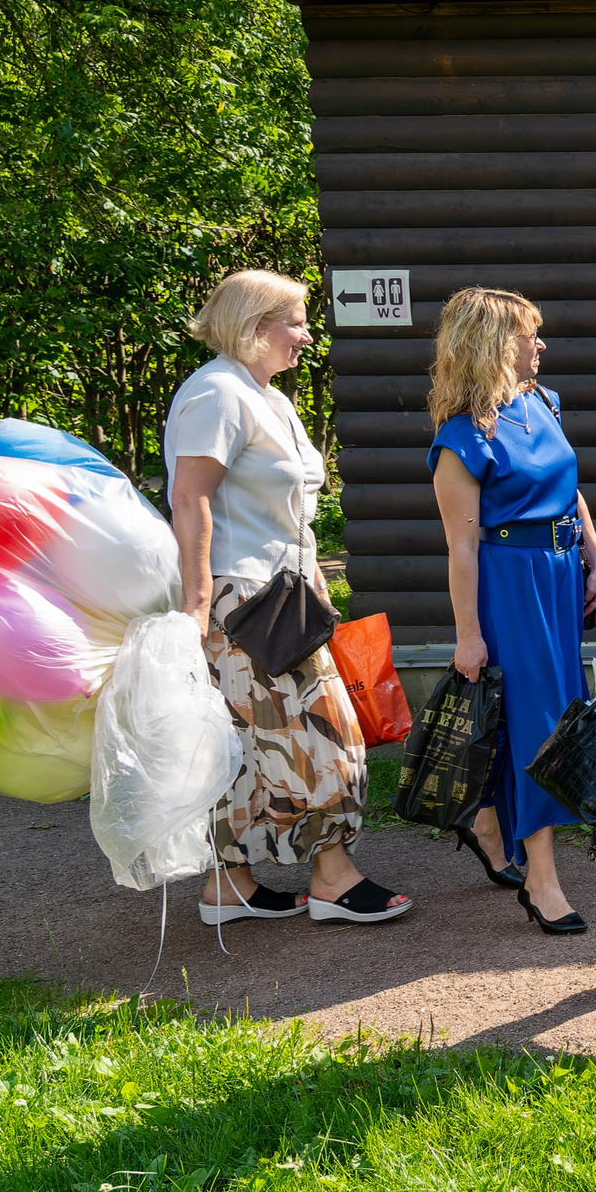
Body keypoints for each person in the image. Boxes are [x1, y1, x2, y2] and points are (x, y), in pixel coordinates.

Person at [166, 269, 408, 926]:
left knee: (250, 744)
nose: (307, 334)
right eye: (296, 320)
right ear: (253, 323)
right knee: (322, 733)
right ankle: (332, 877)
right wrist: (196, 602)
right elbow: (191, 498)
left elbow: (290, 508)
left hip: (281, 594)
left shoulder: (266, 395)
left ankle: (229, 883)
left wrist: (318, 586)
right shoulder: (217, 393)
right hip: (241, 598)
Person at [427, 288, 596, 932]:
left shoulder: (543, 402)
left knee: (559, 712)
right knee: (537, 723)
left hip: (560, 576)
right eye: (530, 336)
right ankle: (542, 879)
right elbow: (461, 546)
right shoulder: (461, 439)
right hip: (509, 583)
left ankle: (485, 820)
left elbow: (571, 488)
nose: (541, 346)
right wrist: (468, 634)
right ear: (494, 346)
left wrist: (594, 556)